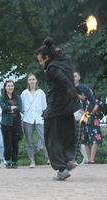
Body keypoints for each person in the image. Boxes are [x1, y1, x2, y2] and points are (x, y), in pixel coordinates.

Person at [36, 37, 79, 181]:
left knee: (51, 138)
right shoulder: (64, 61)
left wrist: (74, 92)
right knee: (67, 133)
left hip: (56, 106)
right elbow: (64, 57)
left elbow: (64, 80)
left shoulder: (52, 68)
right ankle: (69, 159)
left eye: (41, 60)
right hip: (68, 106)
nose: (40, 63)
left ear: (46, 57)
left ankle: (62, 169)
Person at [21, 74, 49, 168]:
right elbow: (22, 107)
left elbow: (44, 107)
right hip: (28, 119)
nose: (32, 81)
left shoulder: (41, 93)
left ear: (36, 81)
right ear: (28, 81)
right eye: (30, 80)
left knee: (44, 138)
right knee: (29, 141)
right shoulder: (24, 93)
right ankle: (32, 161)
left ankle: (49, 158)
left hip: (39, 119)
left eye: (33, 79)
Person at [74, 71, 99, 164]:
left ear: (79, 77)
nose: (73, 78)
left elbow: (93, 101)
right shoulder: (68, 88)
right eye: (72, 76)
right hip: (69, 115)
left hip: (82, 115)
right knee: (70, 137)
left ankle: (74, 159)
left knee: (78, 137)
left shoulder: (84, 88)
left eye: (75, 76)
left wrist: (86, 114)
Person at [0, 80, 23, 169]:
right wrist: (12, 108)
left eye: (12, 86)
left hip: (16, 122)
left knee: (15, 143)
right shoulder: (2, 97)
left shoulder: (18, 97)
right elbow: (4, 108)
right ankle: (7, 160)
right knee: (7, 143)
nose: (10, 87)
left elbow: (20, 108)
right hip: (6, 123)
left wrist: (10, 109)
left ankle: (14, 161)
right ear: (5, 87)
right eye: (8, 86)